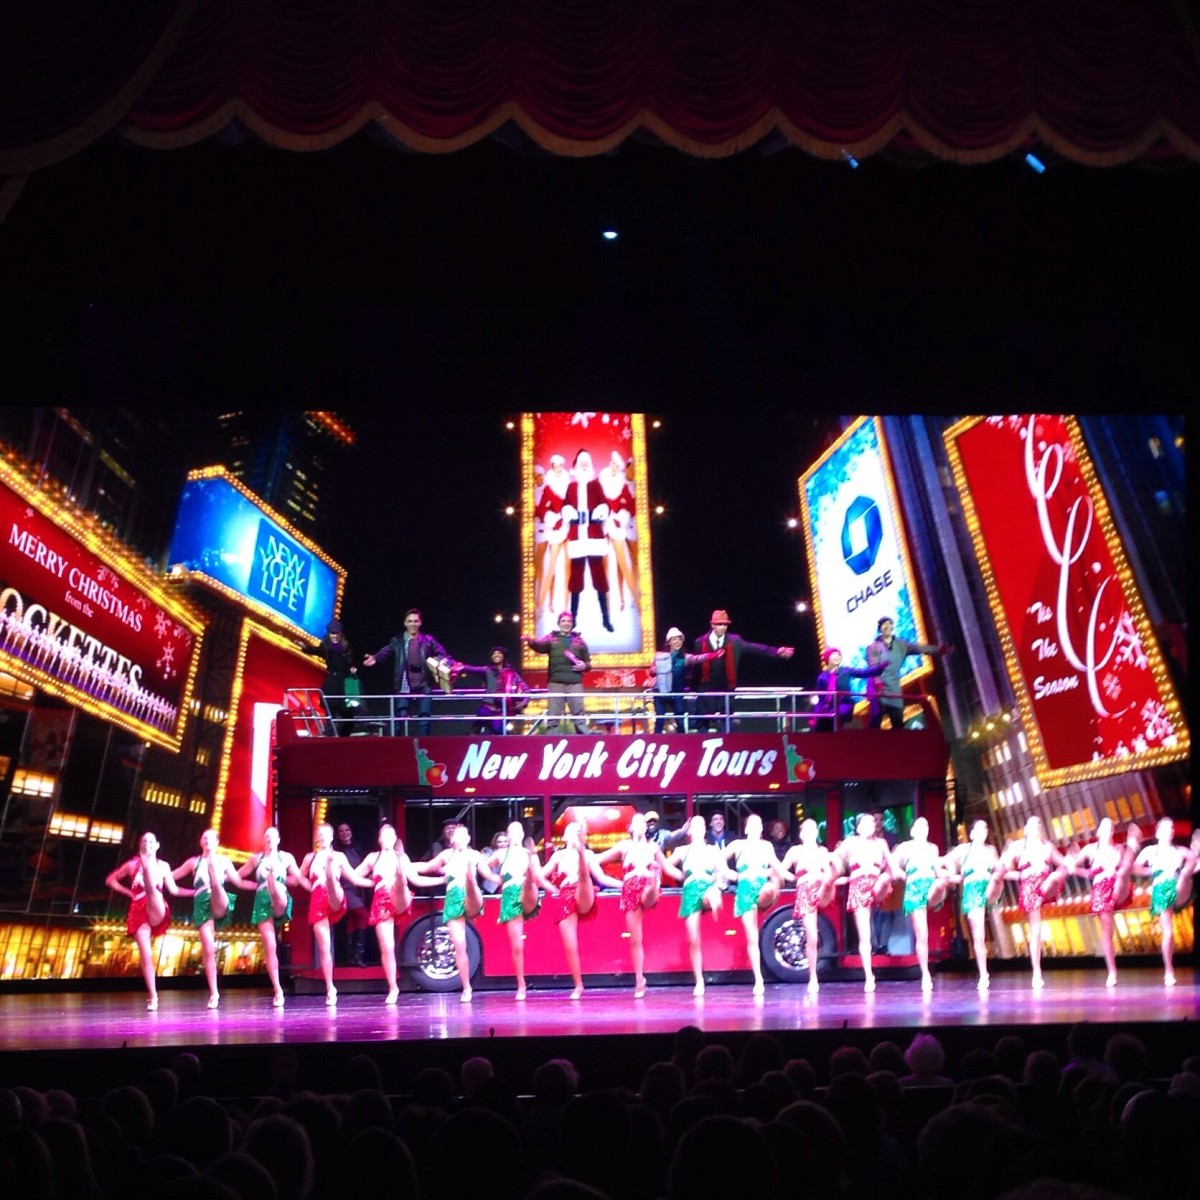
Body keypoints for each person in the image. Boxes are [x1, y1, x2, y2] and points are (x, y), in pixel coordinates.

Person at [340, 823, 441, 1004]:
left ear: (395, 839)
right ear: (379, 839)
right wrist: (371, 883)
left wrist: (442, 879)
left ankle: (399, 880)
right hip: (381, 902)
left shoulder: (401, 858)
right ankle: (393, 987)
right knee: (387, 947)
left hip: (400, 897)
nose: (387, 839)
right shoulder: (373, 857)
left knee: (401, 880)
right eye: (383, 836)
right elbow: (354, 877)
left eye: (391, 836)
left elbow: (416, 879)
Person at [105, 832, 191, 1010]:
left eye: (151, 841)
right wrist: (129, 893)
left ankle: (148, 876)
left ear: (157, 845)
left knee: (152, 888)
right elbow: (110, 880)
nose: (148, 843)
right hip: (138, 910)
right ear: (140, 845)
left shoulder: (164, 866)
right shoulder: (130, 865)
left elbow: (174, 890)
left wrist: (194, 892)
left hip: (156, 907)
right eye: (144, 840)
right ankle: (153, 996)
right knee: (146, 955)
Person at [987, 815, 1070, 990]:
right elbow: (1003, 867)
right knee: (1036, 929)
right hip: (1030, 886)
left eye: (1039, 824)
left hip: (1047, 882)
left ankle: (1049, 881)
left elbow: (1065, 865)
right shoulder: (1018, 846)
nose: (1036, 827)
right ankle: (1037, 970)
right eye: (1032, 824)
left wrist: (1068, 861)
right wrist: (1008, 863)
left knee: (1055, 875)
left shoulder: (1047, 847)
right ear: (1025, 829)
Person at [595, 812, 671, 997]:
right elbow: (596, 860)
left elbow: (669, 867)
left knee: (649, 891)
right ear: (630, 827)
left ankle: (653, 881)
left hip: (646, 885)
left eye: (642, 823)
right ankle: (639, 979)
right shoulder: (624, 846)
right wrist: (606, 880)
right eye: (636, 823)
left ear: (645, 827)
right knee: (635, 939)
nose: (640, 826)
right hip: (629, 889)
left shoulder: (652, 847)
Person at [663, 816, 736, 996]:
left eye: (701, 826)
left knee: (711, 892)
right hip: (690, 892)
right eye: (694, 826)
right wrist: (680, 876)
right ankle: (699, 981)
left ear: (705, 830)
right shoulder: (682, 850)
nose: (698, 829)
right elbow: (665, 866)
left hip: (708, 886)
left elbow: (725, 871)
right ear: (689, 831)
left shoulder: (713, 850)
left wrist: (743, 876)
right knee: (693, 939)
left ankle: (713, 899)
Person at [422, 825, 496, 1002]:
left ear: (469, 839)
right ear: (452, 839)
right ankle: (466, 988)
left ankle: (469, 878)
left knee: (471, 886)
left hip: (471, 896)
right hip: (453, 897)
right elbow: (426, 867)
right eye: (457, 836)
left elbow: (487, 874)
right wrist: (404, 864)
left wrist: (501, 879)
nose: (461, 839)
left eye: (464, 836)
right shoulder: (446, 855)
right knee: (460, 945)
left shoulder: (475, 855)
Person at [171, 828, 243, 1008]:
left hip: (219, 900)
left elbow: (239, 881)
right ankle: (214, 993)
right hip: (201, 903)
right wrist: (186, 891)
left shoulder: (225, 861)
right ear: (200, 843)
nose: (207, 840)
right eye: (204, 838)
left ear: (217, 842)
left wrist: (262, 885)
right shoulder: (193, 862)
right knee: (209, 949)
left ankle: (215, 879)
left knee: (218, 888)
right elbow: (169, 876)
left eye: (211, 838)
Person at [541, 821, 613, 999]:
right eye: (571, 831)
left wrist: (624, 885)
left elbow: (602, 878)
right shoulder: (558, 856)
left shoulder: (589, 854)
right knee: (570, 946)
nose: (573, 833)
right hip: (565, 895)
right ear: (565, 836)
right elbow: (539, 876)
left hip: (584, 892)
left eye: (577, 831)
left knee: (583, 876)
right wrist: (554, 891)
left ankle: (580, 860)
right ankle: (578, 985)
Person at [691, 609, 794, 732]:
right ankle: (701, 749)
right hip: (706, 689)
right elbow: (695, 665)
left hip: (726, 689)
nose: (723, 627)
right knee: (702, 722)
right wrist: (694, 687)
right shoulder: (700, 642)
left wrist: (776, 652)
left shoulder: (735, 641)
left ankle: (729, 747)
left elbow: (755, 648)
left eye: (725, 624)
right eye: (720, 624)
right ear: (712, 625)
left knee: (727, 723)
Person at [362, 609, 460, 735]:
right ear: (405, 623)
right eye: (410, 621)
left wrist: (438, 660)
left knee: (425, 719)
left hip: (424, 684)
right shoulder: (398, 640)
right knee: (400, 718)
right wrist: (375, 658)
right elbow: (386, 651)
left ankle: (425, 747)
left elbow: (443, 654)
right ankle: (397, 747)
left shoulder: (428, 640)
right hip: (404, 684)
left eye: (415, 621)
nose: (413, 624)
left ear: (420, 623)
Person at [1066, 817, 1139, 988]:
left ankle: (1133, 845)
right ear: (1098, 831)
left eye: (1111, 827)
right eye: (1105, 827)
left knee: (1122, 871)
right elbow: (1073, 865)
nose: (1108, 830)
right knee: (1108, 933)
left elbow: (1128, 868)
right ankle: (1112, 971)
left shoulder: (1118, 850)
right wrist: (1071, 862)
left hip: (1118, 884)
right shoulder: (1090, 850)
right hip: (1101, 890)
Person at [238, 825, 305, 1007]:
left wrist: (285, 881)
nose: (269, 839)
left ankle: (273, 883)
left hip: (280, 899)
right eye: (266, 836)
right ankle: (278, 989)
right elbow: (237, 878)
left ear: (278, 840)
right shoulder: (256, 859)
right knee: (270, 946)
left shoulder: (285, 857)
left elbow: (298, 878)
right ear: (263, 840)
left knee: (278, 892)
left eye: (272, 836)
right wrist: (253, 886)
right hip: (261, 900)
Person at [1129, 816, 1198, 987]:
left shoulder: (1180, 850)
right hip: (1161, 889)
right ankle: (1169, 971)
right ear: (1158, 832)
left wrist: (1193, 866)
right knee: (1168, 933)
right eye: (1167, 828)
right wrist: (1151, 871)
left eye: (1173, 827)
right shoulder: (1151, 851)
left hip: (1180, 886)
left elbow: (1194, 863)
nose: (1171, 830)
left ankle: (1193, 856)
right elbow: (1134, 867)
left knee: (1185, 872)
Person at [298, 822, 359, 1006]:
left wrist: (373, 882)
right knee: (325, 947)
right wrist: (312, 887)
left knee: (332, 883)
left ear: (332, 837)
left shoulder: (339, 856)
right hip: (318, 899)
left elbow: (355, 877)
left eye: (326, 834)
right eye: (320, 834)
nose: (322, 836)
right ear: (317, 837)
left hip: (334, 896)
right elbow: (299, 876)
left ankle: (330, 877)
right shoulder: (310, 857)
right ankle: (330, 988)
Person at [722, 814, 784, 995]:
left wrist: (792, 877)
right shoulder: (738, 845)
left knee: (770, 887)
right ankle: (758, 979)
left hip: (762, 887)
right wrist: (730, 874)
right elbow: (717, 859)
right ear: (746, 828)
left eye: (759, 824)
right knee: (752, 938)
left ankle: (766, 899)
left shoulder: (767, 846)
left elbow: (778, 867)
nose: (756, 826)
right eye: (752, 824)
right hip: (745, 891)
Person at [832, 812, 893, 992]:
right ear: (858, 828)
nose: (871, 826)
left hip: (877, 884)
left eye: (873, 823)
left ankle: (879, 890)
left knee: (883, 880)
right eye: (866, 823)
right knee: (865, 935)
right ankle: (869, 976)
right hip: (859, 886)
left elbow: (892, 863)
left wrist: (897, 874)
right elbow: (835, 858)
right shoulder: (850, 843)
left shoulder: (881, 843)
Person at [887, 816, 946, 994]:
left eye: (926, 825)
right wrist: (902, 875)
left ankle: (935, 898)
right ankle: (925, 974)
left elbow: (938, 870)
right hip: (914, 888)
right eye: (920, 826)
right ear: (912, 831)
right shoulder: (905, 848)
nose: (924, 829)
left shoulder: (933, 848)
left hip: (931, 885)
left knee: (940, 883)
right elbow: (893, 866)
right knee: (923, 935)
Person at [940, 818, 999, 992]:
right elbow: (944, 860)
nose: (984, 831)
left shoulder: (991, 850)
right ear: (972, 833)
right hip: (973, 891)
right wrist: (950, 874)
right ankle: (983, 974)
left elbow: (999, 867)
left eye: (986, 828)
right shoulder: (963, 849)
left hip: (989, 887)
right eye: (980, 829)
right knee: (979, 936)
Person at [779, 819, 836, 995]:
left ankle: (825, 890)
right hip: (805, 891)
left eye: (814, 829)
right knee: (812, 937)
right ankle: (813, 976)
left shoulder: (823, 851)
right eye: (807, 829)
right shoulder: (795, 851)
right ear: (801, 834)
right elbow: (781, 870)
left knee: (828, 879)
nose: (811, 833)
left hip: (823, 886)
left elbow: (829, 872)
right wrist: (794, 878)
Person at [864, 616, 951, 730]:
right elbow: (873, 666)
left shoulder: (901, 645)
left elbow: (919, 648)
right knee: (876, 720)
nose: (887, 626)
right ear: (880, 629)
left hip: (893, 686)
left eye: (889, 624)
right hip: (877, 688)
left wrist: (939, 650)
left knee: (898, 722)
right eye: (884, 625)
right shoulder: (873, 647)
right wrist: (878, 683)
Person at [562, 448, 614, 631]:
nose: (583, 465)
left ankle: (605, 618)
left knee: (599, 577)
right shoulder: (571, 487)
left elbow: (605, 504)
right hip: (577, 536)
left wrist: (601, 511)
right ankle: (572, 619)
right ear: (576, 466)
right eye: (580, 463)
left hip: (594, 535)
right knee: (576, 579)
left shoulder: (595, 485)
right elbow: (565, 505)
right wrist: (568, 512)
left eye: (586, 463)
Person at [523, 610, 592, 734]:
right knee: (553, 714)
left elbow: (588, 663)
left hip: (574, 683)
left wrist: (584, 666)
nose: (566, 623)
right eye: (563, 621)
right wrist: (530, 641)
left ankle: (584, 739)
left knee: (579, 714)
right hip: (556, 682)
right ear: (559, 623)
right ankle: (551, 740)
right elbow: (539, 646)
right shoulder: (551, 638)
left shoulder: (580, 641)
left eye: (569, 621)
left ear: (572, 623)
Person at [651, 627, 718, 733]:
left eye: (679, 639)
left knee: (681, 721)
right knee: (660, 721)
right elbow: (651, 672)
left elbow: (698, 658)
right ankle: (655, 742)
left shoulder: (685, 658)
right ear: (669, 642)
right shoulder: (659, 656)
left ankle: (683, 743)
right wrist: (654, 670)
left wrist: (713, 655)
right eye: (674, 639)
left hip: (677, 693)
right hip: (660, 693)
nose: (677, 642)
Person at [598, 449, 640, 613]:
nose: (613, 467)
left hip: (616, 526)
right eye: (612, 463)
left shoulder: (622, 485)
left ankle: (636, 599)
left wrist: (619, 516)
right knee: (604, 565)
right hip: (602, 526)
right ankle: (605, 602)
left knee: (623, 563)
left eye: (617, 465)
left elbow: (629, 506)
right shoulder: (601, 481)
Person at [458, 646, 530, 734]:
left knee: (498, 731)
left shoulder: (511, 673)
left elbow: (526, 689)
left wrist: (523, 703)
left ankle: (506, 745)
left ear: (503, 656)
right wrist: (460, 666)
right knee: (476, 727)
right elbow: (471, 669)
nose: (496, 655)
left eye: (499, 653)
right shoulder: (487, 670)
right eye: (494, 653)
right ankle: (469, 745)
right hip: (487, 707)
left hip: (502, 711)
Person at [813, 646, 885, 731]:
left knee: (835, 716)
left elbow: (864, 673)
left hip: (843, 703)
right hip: (828, 706)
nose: (837, 657)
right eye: (834, 655)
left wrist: (880, 668)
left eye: (838, 655)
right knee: (820, 720)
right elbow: (821, 696)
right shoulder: (822, 677)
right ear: (827, 659)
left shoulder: (846, 670)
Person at [536, 453, 571, 617]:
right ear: (552, 467)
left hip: (570, 529)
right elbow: (542, 509)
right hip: (556, 530)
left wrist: (567, 518)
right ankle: (540, 604)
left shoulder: (570, 486)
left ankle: (566, 606)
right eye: (555, 466)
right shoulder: (548, 489)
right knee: (551, 568)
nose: (559, 469)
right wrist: (554, 520)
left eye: (561, 466)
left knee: (569, 568)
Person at [333, 820, 370, 966]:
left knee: (353, 921)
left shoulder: (357, 848)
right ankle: (357, 955)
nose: (344, 833)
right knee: (363, 916)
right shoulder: (337, 851)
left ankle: (350, 957)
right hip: (345, 889)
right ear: (337, 835)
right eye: (341, 831)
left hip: (358, 889)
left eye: (347, 830)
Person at [315, 618, 357, 735]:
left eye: (336, 633)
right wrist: (304, 646)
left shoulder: (346, 646)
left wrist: (353, 667)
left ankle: (343, 740)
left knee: (349, 716)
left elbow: (352, 661)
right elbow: (315, 650)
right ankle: (328, 738)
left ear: (340, 633)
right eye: (332, 633)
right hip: (332, 682)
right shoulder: (325, 646)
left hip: (346, 682)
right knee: (330, 713)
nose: (334, 636)